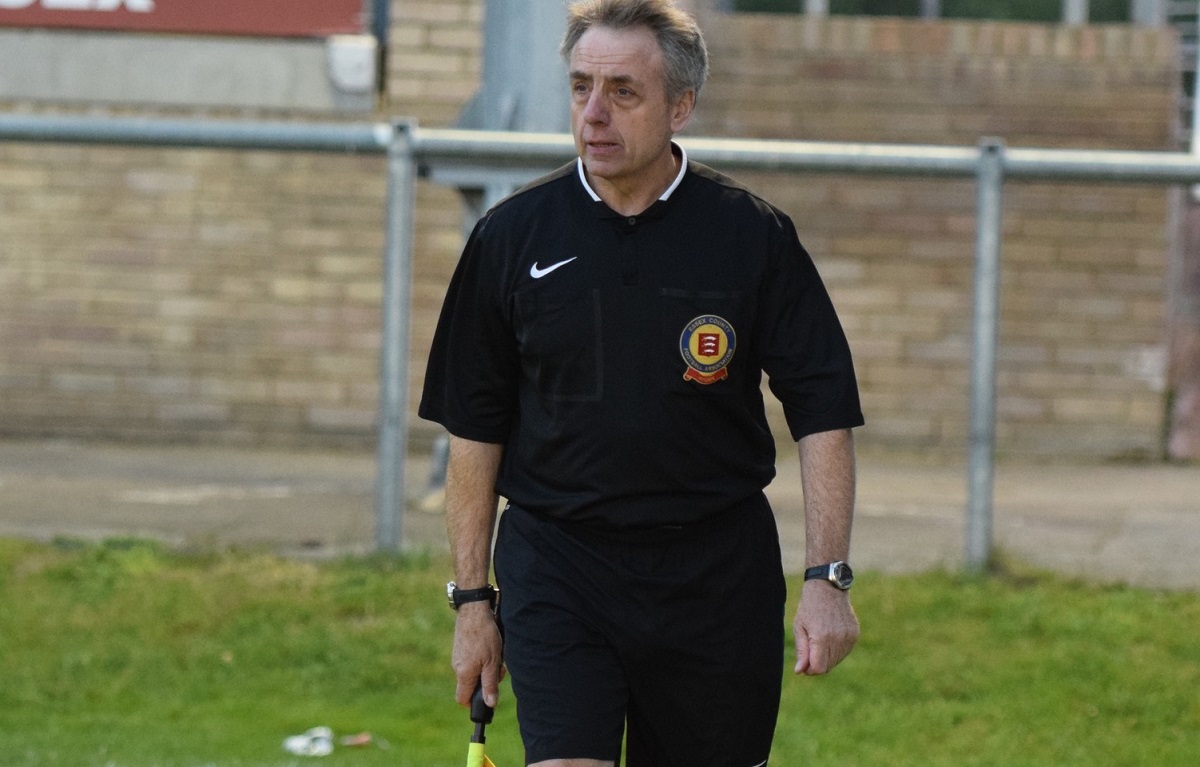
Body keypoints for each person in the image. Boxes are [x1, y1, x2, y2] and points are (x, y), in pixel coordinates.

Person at [419, 1, 864, 764]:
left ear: (680, 105)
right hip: (560, 565)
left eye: (623, 91)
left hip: (716, 576)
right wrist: (472, 601)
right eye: (581, 86)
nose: (594, 113)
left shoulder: (752, 236)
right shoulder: (510, 236)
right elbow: (474, 427)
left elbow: (823, 412)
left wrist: (827, 578)